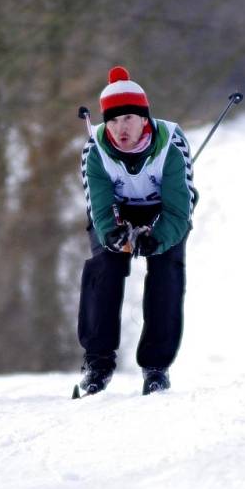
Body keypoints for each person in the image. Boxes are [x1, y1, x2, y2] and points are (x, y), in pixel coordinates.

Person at [74, 66, 197, 397]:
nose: (120, 128)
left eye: (128, 118)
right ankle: (97, 363)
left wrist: (155, 237)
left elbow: (178, 208)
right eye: (112, 121)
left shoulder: (171, 143)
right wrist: (114, 233)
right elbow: (100, 209)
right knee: (104, 267)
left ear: (144, 117)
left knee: (166, 270)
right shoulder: (94, 150)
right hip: (116, 211)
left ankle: (156, 366)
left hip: (165, 211)